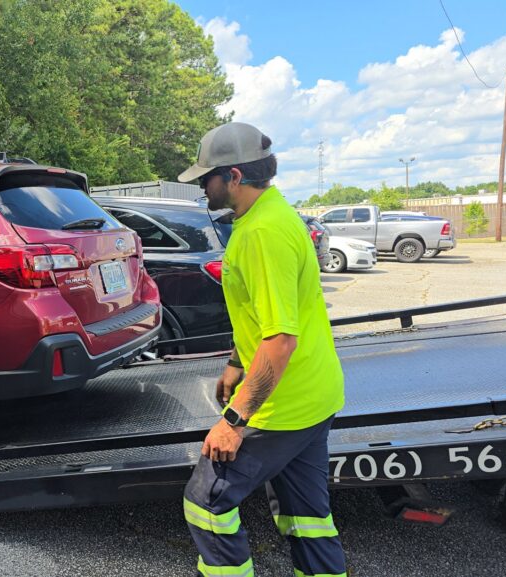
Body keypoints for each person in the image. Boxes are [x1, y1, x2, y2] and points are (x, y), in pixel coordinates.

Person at [177, 122, 347, 577]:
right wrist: (236, 360)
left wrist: (234, 421)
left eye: (205, 179)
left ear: (233, 176)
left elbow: (279, 341)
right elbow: (263, 315)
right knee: (307, 516)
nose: (201, 188)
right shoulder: (269, 216)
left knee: (206, 503)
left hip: (283, 406)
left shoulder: (262, 234)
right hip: (315, 395)